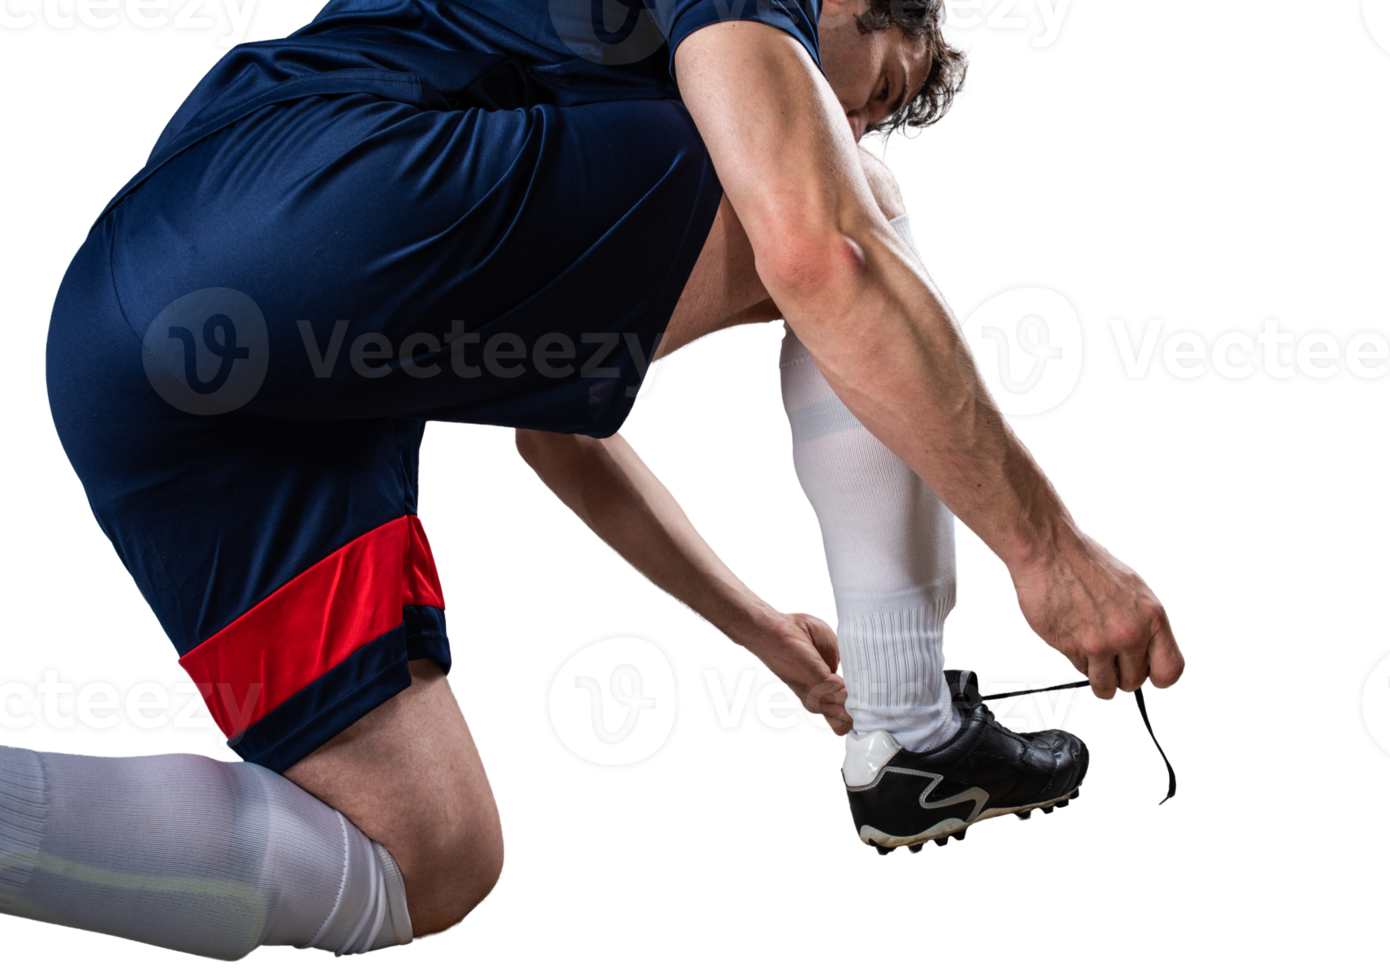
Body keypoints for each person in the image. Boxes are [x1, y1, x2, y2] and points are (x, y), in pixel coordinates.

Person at [11, 0, 1182, 962]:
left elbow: (563, 440)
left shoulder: (591, 93)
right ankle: (914, 728)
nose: (851, 125)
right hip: (288, 200)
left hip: (148, 350)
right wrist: (1047, 551)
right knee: (853, 223)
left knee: (428, 862)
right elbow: (822, 254)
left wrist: (760, 629)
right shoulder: (742, 21)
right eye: (870, 91)